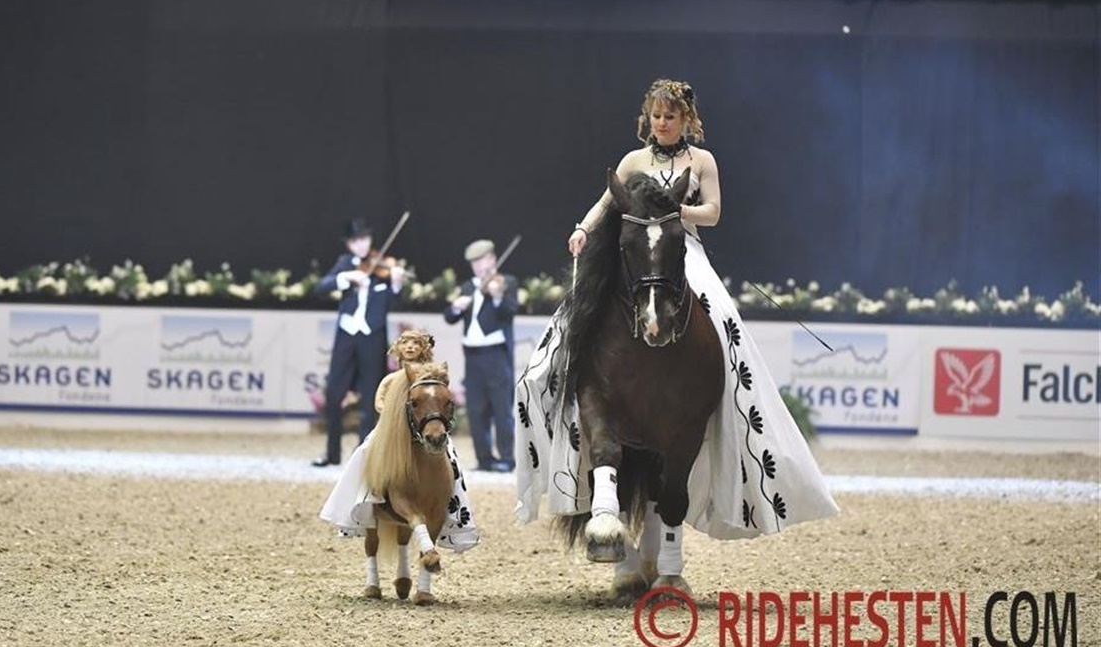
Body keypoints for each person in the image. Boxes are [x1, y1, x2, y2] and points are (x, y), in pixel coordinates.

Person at [516, 78, 838, 539]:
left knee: (724, 326)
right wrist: (583, 229)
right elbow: (606, 203)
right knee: (571, 325)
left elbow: (713, 212)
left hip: (682, 251)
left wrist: (673, 215)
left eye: (670, 116)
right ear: (646, 118)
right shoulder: (632, 160)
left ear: (686, 119)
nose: (662, 123)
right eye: (656, 116)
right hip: (636, 257)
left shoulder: (702, 161)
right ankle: (552, 385)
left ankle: (739, 410)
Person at [319, 329, 480, 552]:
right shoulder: (391, 379)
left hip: (422, 427)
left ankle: (455, 503)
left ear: (424, 349)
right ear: (398, 348)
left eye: (416, 343)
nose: (410, 347)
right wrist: (394, 414)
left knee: (451, 458)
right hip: (391, 428)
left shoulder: (429, 376)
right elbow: (379, 403)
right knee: (365, 451)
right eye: (405, 343)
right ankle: (363, 494)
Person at [312, 218, 406, 467]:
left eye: (364, 239)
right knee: (334, 393)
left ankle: (362, 457)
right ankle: (331, 453)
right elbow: (320, 288)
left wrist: (396, 284)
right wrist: (347, 277)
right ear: (349, 244)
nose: (361, 245)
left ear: (370, 239)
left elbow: (395, 304)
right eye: (355, 241)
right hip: (346, 335)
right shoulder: (345, 264)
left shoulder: (385, 269)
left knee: (370, 398)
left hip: (372, 338)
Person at [443, 239, 519, 472]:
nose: (478, 266)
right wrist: (456, 307)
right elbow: (449, 317)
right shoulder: (468, 287)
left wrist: (497, 297)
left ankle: (506, 458)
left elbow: (510, 312)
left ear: (493, 259)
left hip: (495, 354)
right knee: (476, 410)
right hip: (472, 356)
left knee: (501, 408)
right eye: (474, 262)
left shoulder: (506, 282)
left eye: (482, 260)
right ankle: (484, 459)